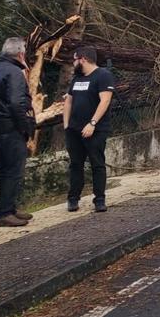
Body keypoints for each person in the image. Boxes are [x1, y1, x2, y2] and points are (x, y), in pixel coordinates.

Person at [0, 37, 36, 227]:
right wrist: (25, 126)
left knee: (5, 169)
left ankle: (10, 208)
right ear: (21, 53)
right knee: (14, 170)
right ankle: (4, 212)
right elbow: (17, 103)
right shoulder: (14, 71)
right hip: (10, 127)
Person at [62, 45, 115, 212]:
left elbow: (105, 101)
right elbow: (69, 101)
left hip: (95, 130)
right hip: (74, 129)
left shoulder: (103, 76)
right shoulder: (77, 79)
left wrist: (92, 123)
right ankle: (73, 198)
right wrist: (66, 125)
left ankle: (99, 199)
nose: (74, 63)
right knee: (75, 164)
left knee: (97, 163)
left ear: (83, 59)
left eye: (75, 59)